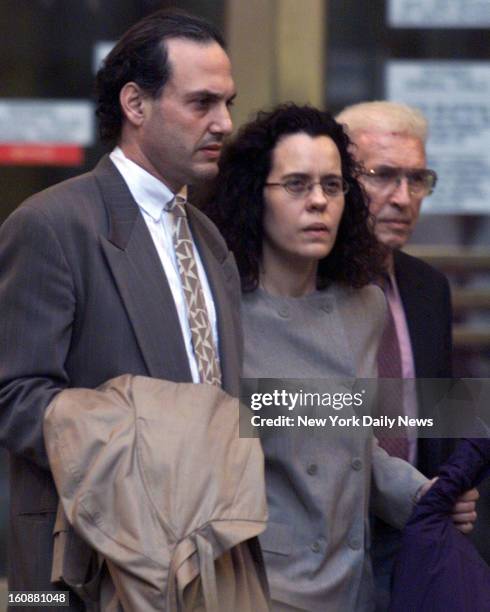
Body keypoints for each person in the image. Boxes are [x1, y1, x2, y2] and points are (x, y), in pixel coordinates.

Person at [0, 9, 240, 608]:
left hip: (208, 563)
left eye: (228, 103)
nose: (224, 123)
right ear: (136, 104)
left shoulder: (208, 239)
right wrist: (143, 447)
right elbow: (14, 396)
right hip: (88, 564)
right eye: (202, 103)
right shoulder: (52, 225)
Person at [202, 104, 477, 612]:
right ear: (253, 197)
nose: (318, 203)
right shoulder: (220, 312)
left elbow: (352, 440)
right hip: (262, 585)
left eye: (332, 186)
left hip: (356, 578)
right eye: (296, 185)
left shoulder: (363, 306)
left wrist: (425, 494)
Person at [336, 101, 479, 609]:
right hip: (327, 541)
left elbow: (435, 408)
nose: (403, 198)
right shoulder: (304, 284)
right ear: (341, 180)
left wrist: (455, 486)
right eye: (383, 176)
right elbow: (275, 410)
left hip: (418, 541)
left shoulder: (427, 287)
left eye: (417, 179)